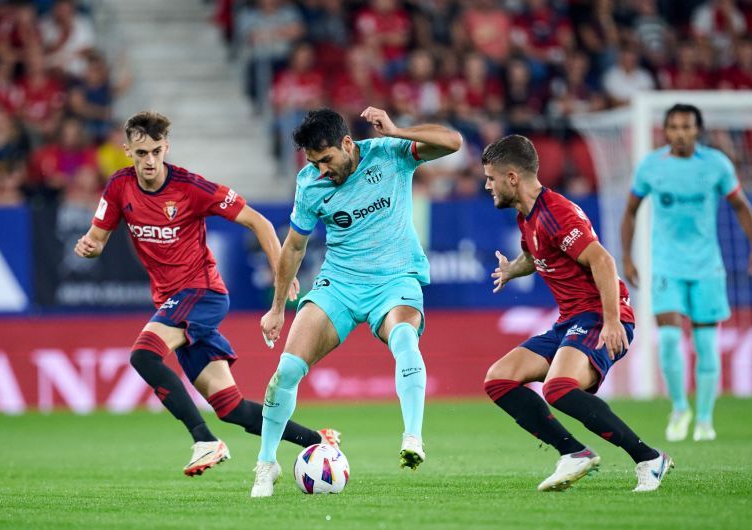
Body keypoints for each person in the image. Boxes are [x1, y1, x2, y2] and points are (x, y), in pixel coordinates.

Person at [74, 111, 339, 477]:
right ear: (127, 151)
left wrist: (282, 271)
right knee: (232, 409)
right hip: (173, 303)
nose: (149, 161)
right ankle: (317, 441)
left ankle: (204, 440)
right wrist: (90, 244)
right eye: (140, 153)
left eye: (155, 151)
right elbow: (98, 238)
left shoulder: (190, 187)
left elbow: (258, 221)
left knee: (143, 356)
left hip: (202, 292)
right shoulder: (119, 187)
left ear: (165, 147)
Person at [251, 107, 462, 498]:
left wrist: (398, 130)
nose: (321, 171)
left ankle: (412, 437)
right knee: (286, 370)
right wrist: (278, 308)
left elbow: (453, 142)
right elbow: (295, 246)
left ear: (347, 144)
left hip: (396, 277)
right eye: (313, 163)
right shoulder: (309, 185)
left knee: (403, 338)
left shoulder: (390, 153)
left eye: (326, 160)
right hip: (341, 284)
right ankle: (266, 464)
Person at [481, 134, 672, 493]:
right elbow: (536, 257)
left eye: (491, 178)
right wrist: (512, 270)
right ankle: (573, 452)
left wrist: (613, 320)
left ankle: (648, 457)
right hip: (570, 321)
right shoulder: (528, 217)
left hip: (599, 315)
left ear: (512, 178)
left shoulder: (556, 212)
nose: (487, 185)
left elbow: (602, 259)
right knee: (499, 378)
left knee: (557, 388)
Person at [621, 104, 752, 443]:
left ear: (697, 130)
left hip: (706, 266)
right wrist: (627, 257)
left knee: (705, 341)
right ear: (666, 131)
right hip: (666, 265)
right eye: (674, 127)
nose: (680, 133)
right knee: (670, 339)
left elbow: (741, 206)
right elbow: (630, 212)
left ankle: (704, 419)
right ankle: (678, 408)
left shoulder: (716, 165)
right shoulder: (651, 167)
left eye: (687, 127)